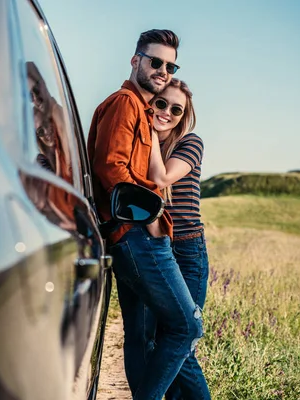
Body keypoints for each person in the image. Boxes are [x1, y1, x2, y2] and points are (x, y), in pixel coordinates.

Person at [87, 29, 203, 400]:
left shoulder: (143, 112)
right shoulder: (126, 103)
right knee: (186, 328)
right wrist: (151, 217)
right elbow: (112, 169)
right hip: (138, 236)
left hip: (139, 237)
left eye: (170, 65)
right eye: (155, 61)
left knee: (148, 334)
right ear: (136, 60)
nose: (163, 70)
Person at [146, 78, 211, 399]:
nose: (167, 112)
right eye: (161, 103)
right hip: (155, 250)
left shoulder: (191, 142)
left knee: (182, 340)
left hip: (187, 252)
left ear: (184, 115)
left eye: (176, 109)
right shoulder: (141, 147)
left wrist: (146, 130)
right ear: (150, 103)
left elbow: (162, 177)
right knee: (164, 340)